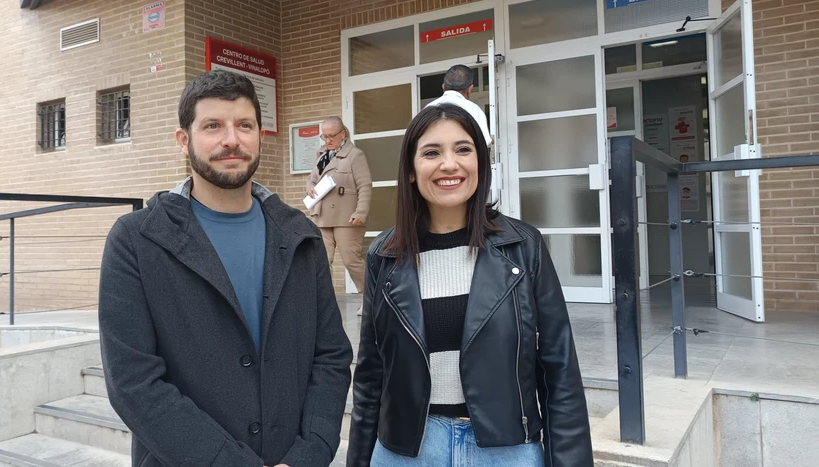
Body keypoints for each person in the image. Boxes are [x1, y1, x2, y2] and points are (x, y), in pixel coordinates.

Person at [98, 69, 353, 467]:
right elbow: (133, 384)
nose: (231, 139)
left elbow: (332, 355)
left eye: (244, 125)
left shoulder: (300, 235)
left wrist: (310, 453)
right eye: (213, 125)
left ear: (260, 135)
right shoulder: (137, 240)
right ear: (184, 141)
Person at [347, 104, 593, 467]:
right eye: (432, 152)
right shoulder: (384, 256)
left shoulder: (523, 247)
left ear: (480, 162)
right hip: (407, 452)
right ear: (412, 171)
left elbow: (560, 373)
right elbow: (370, 375)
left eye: (463, 149)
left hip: (506, 451)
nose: (450, 164)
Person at [307, 116, 372, 314]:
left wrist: (361, 212)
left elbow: (365, 185)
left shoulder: (355, 155)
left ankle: (369, 299)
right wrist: (309, 187)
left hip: (347, 217)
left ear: (343, 133)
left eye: (331, 136)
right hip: (322, 216)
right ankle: (321, 302)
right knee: (321, 261)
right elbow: (312, 180)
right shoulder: (321, 155)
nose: (327, 140)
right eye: (324, 136)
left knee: (351, 260)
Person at [424, 64, 491, 146]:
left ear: (443, 87)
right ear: (470, 89)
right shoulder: (473, 109)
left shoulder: (428, 108)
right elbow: (484, 142)